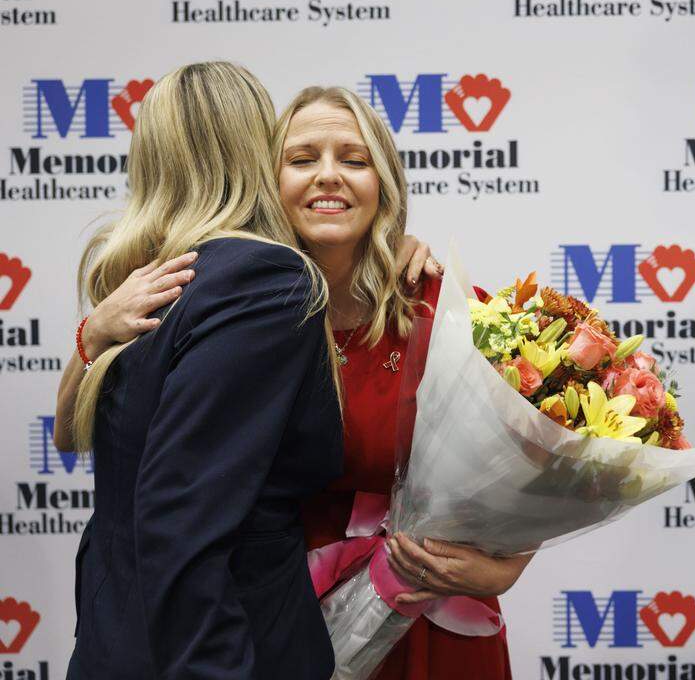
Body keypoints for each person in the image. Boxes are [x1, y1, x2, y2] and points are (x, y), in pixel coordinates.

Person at [62, 85, 528, 678]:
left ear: (384, 181)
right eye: (302, 159)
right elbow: (84, 435)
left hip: (424, 616)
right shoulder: (229, 298)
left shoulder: (441, 306)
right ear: (264, 179)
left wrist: (510, 563)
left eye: (354, 161)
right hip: (280, 617)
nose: (328, 177)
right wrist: (93, 330)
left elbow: (534, 449)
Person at [61, 62, 344, 679]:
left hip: (119, 641)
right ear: (255, 146)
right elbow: (182, 514)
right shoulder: (264, 282)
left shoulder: (154, 281)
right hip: (216, 653)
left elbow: (78, 439)